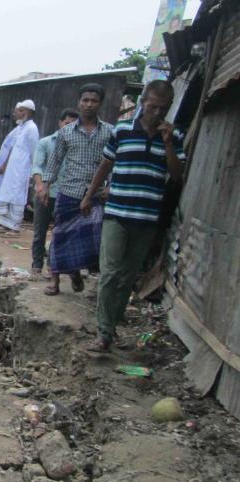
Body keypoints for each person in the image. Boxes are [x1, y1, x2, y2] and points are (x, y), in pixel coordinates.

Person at [83, 80, 184, 352]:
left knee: (127, 277)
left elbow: (176, 175)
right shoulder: (123, 130)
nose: (156, 113)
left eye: (162, 108)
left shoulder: (174, 137)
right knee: (110, 273)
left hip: (147, 218)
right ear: (142, 103)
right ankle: (104, 333)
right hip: (116, 213)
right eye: (152, 106)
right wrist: (89, 195)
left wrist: (168, 144)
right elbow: (106, 165)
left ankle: (111, 325)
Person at [41, 84, 114, 295]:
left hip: (96, 194)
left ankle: (75, 270)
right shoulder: (66, 132)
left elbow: (115, 162)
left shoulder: (110, 131)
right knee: (60, 234)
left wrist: (110, 185)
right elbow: (55, 161)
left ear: (100, 103)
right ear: (79, 102)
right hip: (69, 192)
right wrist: (45, 185)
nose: (89, 104)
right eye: (85, 100)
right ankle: (55, 280)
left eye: (94, 100)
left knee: (93, 236)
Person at [30, 109, 80, 276]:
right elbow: (37, 166)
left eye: (73, 125)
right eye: (67, 123)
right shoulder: (46, 142)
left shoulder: (77, 146)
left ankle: (53, 267)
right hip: (45, 192)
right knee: (40, 232)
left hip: (66, 194)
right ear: (60, 123)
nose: (69, 127)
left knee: (59, 233)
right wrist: (40, 186)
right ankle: (37, 264)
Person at [0, 100, 40, 236]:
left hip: (22, 169)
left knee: (17, 196)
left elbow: (35, 151)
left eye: (20, 110)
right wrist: (5, 164)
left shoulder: (31, 129)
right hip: (12, 169)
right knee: (8, 193)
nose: (16, 113)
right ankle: (5, 223)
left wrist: (34, 172)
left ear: (28, 112)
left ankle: (15, 227)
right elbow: (11, 148)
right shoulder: (20, 128)